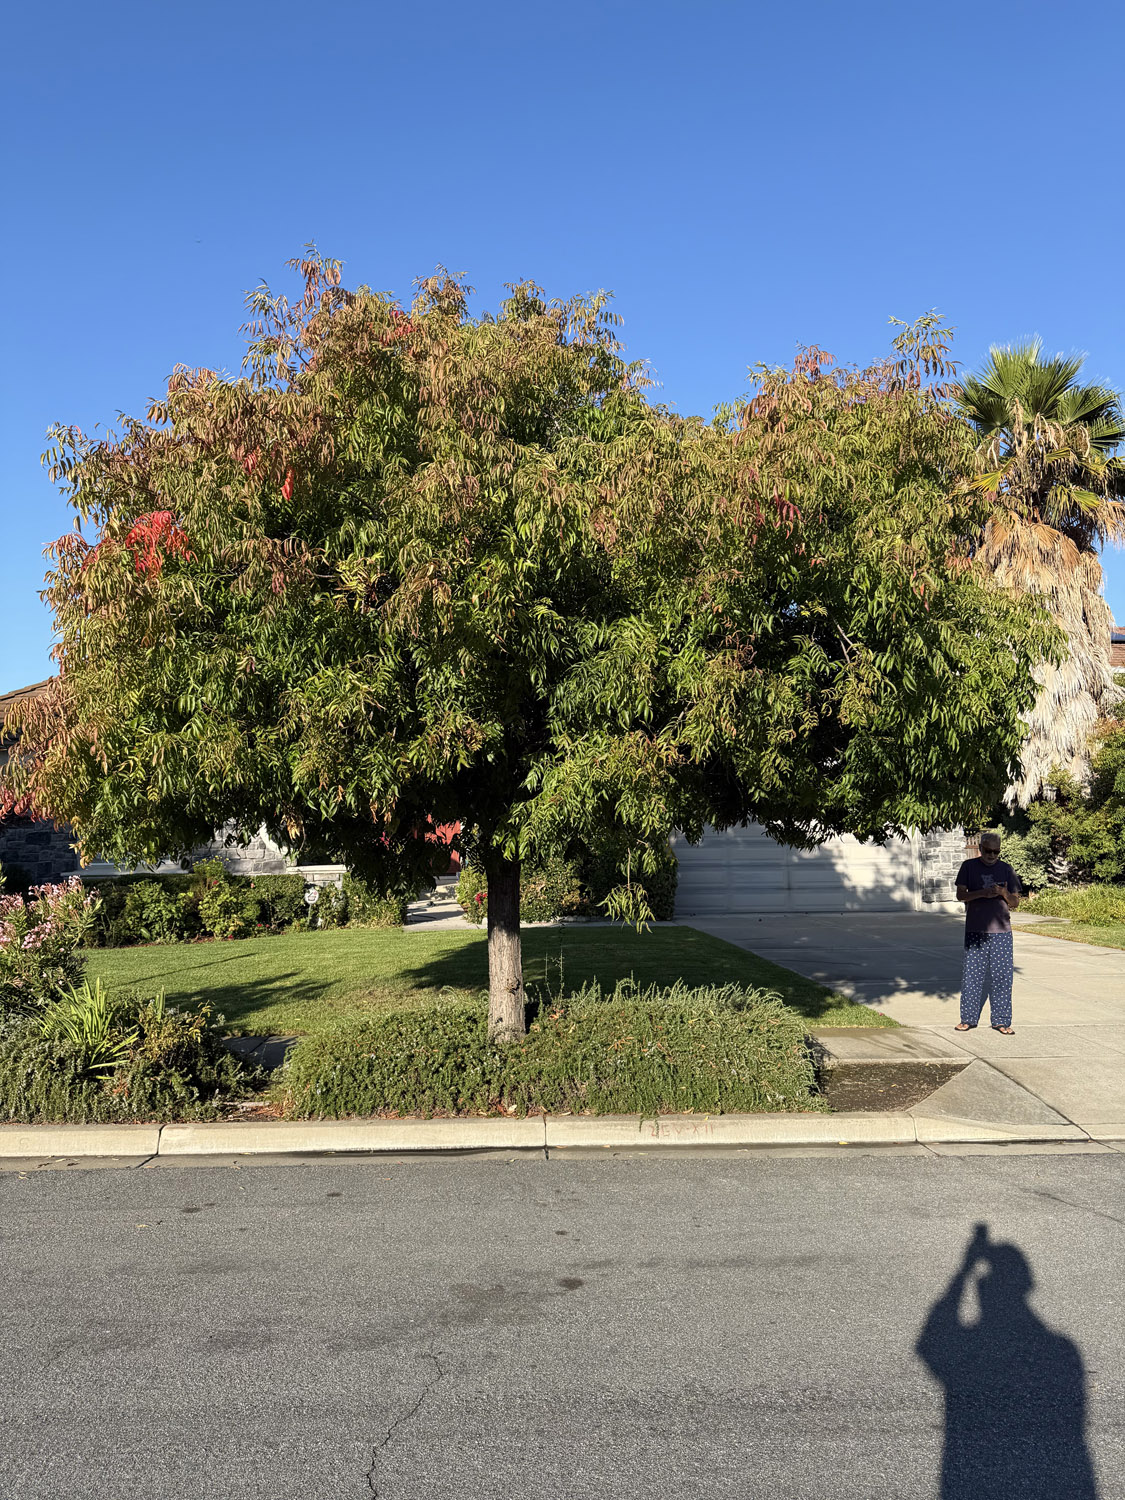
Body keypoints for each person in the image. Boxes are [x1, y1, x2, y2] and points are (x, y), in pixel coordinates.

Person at [954, 830, 1020, 1034]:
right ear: (980, 849)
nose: (992, 855)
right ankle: (968, 1019)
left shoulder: (1007, 869)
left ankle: (1001, 1021)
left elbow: (1016, 902)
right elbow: (960, 895)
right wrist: (983, 893)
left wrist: (1003, 893)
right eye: (988, 851)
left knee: (1002, 977)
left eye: (996, 851)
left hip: (1001, 932)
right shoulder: (969, 867)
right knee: (972, 976)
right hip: (976, 931)